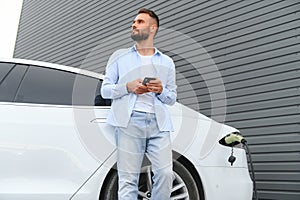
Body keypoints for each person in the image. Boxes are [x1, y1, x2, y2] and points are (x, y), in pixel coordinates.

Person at [101, 8, 177, 200]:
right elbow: (105, 90)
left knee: (166, 174)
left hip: (159, 125)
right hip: (129, 122)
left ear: (153, 28)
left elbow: (172, 98)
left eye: (140, 22)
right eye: (134, 22)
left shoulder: (167, 62)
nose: (134, 24)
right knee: (128, 180)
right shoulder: (119, 56)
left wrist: (160, 90)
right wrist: (128, 86)